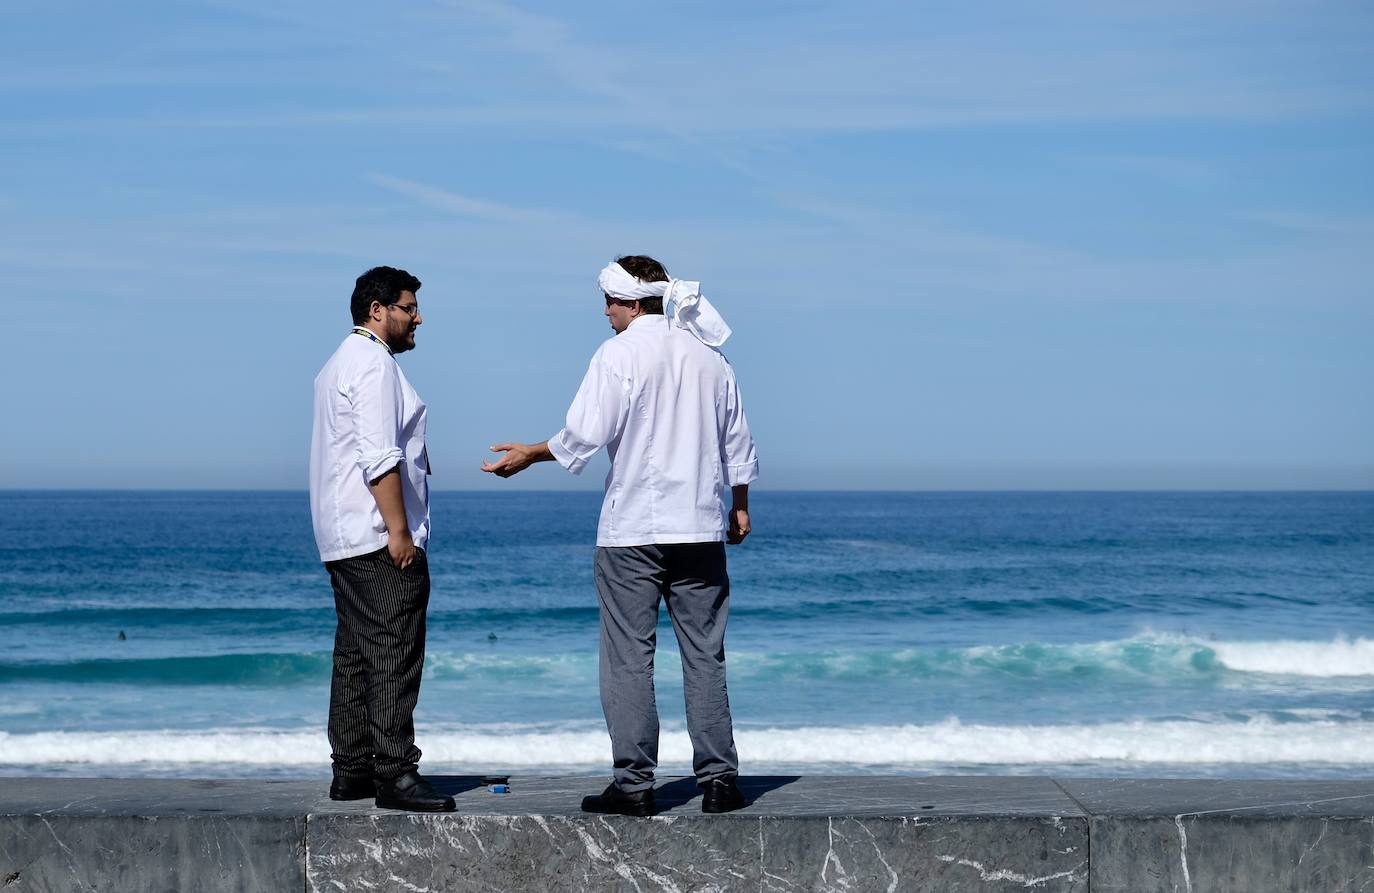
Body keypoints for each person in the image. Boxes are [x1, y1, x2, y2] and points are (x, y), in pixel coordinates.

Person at [481, 255, 759, 816]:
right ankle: (720, 781)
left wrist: (531, 454)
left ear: (632, 303)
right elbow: (738, 440)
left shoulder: (619, 354)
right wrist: (740, 506)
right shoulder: (710, 356)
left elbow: (586, 433)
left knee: (629, 657)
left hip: (633, 527)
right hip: (702, 525)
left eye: (608, 303)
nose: (605, 314)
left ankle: (634, 785)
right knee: (705, 653)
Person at [308, 265, 454, 812]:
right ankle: (394, 774)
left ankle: (352, 769)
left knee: (354, 654)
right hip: (373, 533)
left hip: (340, 533)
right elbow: (378, 456)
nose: (418, 318)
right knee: (394, 650)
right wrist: (399, 532)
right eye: (408, 308)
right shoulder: (372, 365)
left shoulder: (335, 366)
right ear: (378, 310)